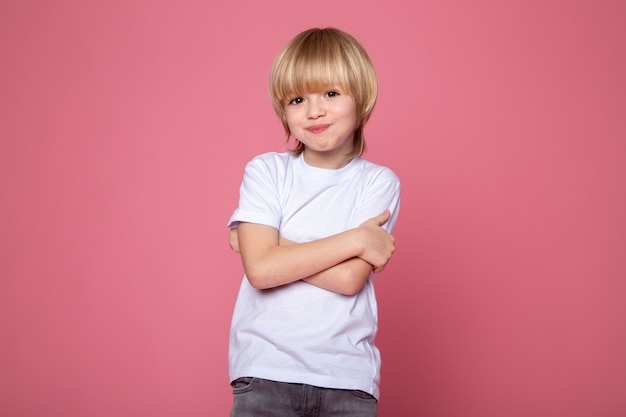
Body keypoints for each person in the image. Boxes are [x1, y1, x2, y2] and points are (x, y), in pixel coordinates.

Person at [227, 27, 401, 417]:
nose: (314, 110)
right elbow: (261, 272)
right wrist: (357, 239)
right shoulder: (267, 171)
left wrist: (271, 248)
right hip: (265, 370)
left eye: (331, 94)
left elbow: (347, 280)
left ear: (363, 97)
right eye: (297, 99)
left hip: (346, 378)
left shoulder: (378, 182)